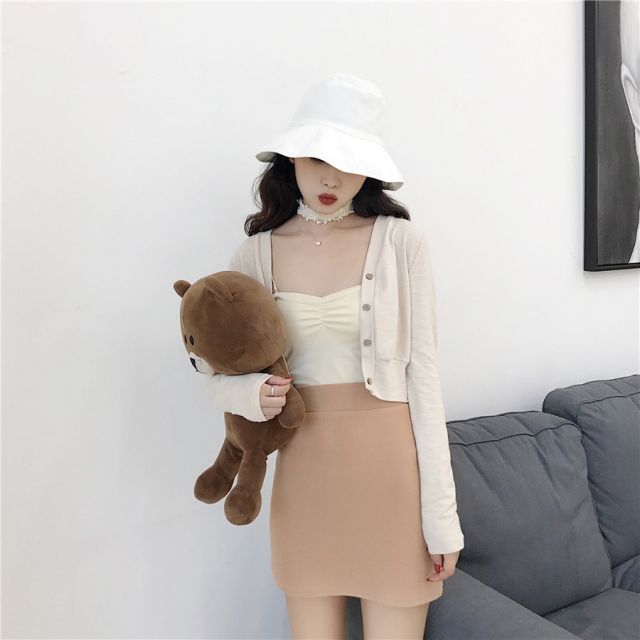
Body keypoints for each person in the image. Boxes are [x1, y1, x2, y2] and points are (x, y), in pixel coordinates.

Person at [204, 73, 464, 639]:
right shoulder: (255, 253)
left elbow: (425, 380)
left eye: (350, 162)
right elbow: (213, 367)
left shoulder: (401, 243)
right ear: (291, 158)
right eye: (319, 157)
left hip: (391, 479)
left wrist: (442, 519)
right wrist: (251, 393)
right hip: (304, 474)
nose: (332, 178)